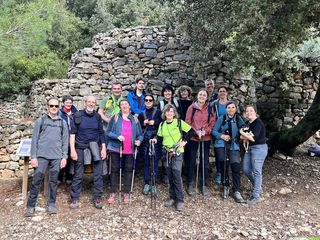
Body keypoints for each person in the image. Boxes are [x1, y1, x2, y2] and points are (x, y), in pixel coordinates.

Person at [25, 98, 68, 217]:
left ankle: (51, 204)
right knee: (36, 181)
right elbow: (34, 140)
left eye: (56, 106)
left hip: (56, 157)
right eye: (51, 105)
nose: (54, 108)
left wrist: (64, 157)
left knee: (54, 182)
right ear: (47, 107)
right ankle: (30, 206)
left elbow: (65, 141)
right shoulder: (41, 121)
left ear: (59, 107)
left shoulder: (62, 122)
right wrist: (33, 157)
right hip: (41, 156)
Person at [150, 104, 194, 211]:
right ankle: (172, 197)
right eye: (167, 111)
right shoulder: (162, 125)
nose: (169, 113)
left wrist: (184, 142)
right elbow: (160, 138)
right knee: (169, 174)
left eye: (171, 111)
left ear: (174, 113)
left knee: (176, 173)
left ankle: (180, 200)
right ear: (164, 113)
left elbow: (191, 131)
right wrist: (155, 140)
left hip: (177, 152)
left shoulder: (179, 122)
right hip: (167, 152)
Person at [69, 95, 107, 209]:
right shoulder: (78, 115)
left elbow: (101, 133)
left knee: (98, 174)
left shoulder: (97, 117)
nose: (91, 104)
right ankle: (74, 198)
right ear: (85, 103)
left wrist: (104, 148)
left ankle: (97, 197)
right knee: (78, 174)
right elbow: (72, 134)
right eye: (89, 102)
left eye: (93, 102)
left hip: (95, 147)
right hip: (80, 147)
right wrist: (72, 150)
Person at [106, 99, 143, 204]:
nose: (124, 106)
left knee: (128, 170)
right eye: (121, 104)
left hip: (130, 149)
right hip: (115, 148)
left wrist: (139, 141)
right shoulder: (115, 118)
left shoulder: (135, 119)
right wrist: (117, 136)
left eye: (126, 104)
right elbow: (108, 132)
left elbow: (140, 134)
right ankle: (113, 191)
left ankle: (126, 192)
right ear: (119, 107)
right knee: (114, 170)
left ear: (129, 106)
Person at [212, 101, 246, 203]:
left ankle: (237, 190)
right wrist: (222, 136)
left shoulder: (238, 119)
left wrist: (243, 134)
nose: (231, 109)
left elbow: (244, 128)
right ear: (226, 109)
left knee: (235, 166)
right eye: (228, 108)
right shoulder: (221, 118)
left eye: (233, 107)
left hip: (234, 145)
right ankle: (225, 185)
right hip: (221, 144)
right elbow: (214, 131)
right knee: (223, 163)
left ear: (235, 109)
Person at [185, 89, 216, 196]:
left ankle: (203, 184)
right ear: (197, 96)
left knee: (204, 161)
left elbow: (212, 123)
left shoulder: (210, 108)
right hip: (193, 138)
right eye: (200, 94)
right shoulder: (191, 108)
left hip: (205, 138)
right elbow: (187, 122)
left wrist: (205, 131)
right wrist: (195, 131)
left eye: (204, 95)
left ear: (207, 97)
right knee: (191, 160)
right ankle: (190, 182)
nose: (202, 96)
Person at [240, 105, 268, 205]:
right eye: (247, 111)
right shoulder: (247, 124)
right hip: (249, 148)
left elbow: (252, 138)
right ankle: (258, 187)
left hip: (259, 148)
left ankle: (256, 196)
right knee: (246, 169)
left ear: (255, 112)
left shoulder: (258, 123)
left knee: (257, 171)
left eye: (251, 111)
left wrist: (242, 133)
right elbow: (242, 137)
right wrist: (244, 135)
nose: (249, 113)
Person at [138, 94, 162, 195]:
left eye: (150, 100)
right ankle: (146, 183)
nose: (148, 102)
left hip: (155, 140)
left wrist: (155, 122)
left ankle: (153, 184)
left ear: (153, 101)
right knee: (146, 162)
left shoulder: (158, 113)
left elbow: (163, 123)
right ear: (144, 101)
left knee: (155, 162)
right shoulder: (141, 114)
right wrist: (143, 123)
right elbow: (138, 127)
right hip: (145, 141)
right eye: (146, 100)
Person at [211, 86, 230, 184]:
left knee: (228, 153)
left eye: (224, 91)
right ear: (218, 93)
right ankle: (219, 173)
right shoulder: (214, 104)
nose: (222, 93)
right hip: (218, 131)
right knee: (219, 154)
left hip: (229, 131)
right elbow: (210, 116)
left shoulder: (231, 104)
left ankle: (226, 173)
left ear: (227, 93)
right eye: (220, 91)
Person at [58, 95, 78, 183]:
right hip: (62, 138)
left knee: (70, 157)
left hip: (73, 137)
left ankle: (69, 176)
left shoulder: (75, 112)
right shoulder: (60, 113)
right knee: (61, 157)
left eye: (70, 103)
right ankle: (59, 176)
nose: (69, 104)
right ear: (63, 103)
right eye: (67, 102)